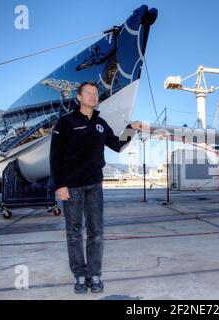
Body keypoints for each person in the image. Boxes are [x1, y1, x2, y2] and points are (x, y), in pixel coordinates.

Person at [49, 81, 137, 294]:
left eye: (96, 93)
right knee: (74, 233)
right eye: (88, 93)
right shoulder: (65, 122)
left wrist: (131, 130)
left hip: (94, 186)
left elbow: (116, 145)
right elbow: (55, 156)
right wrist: (59, 185)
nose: (93, 96)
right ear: (78, 97)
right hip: (72, 187)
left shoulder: (100, 123)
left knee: (97, 232)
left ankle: (94, 274)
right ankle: (79, 275)